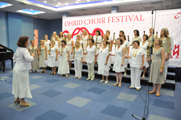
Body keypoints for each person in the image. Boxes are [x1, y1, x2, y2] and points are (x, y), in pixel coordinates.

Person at [12, 36, 35, 107]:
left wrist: (18, 63)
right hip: (22, 71)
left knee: (17, 84)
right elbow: (29, 59)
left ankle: (17, 98)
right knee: (23, 84)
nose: (28, 42)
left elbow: (14, 58)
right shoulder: (24, 50)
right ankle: (22, 101)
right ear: (24, 42)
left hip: (16, 69)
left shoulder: (18, 49)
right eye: (27, 40)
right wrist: (33, 56)